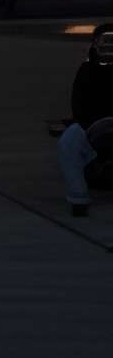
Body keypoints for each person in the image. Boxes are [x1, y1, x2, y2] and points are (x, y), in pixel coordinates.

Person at [57, 22, 113, 214]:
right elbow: (78, 103)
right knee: (67, 144)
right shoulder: (86, 69)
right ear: (95, 43)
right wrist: (88, 124)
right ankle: (78, 197)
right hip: (91, 125)